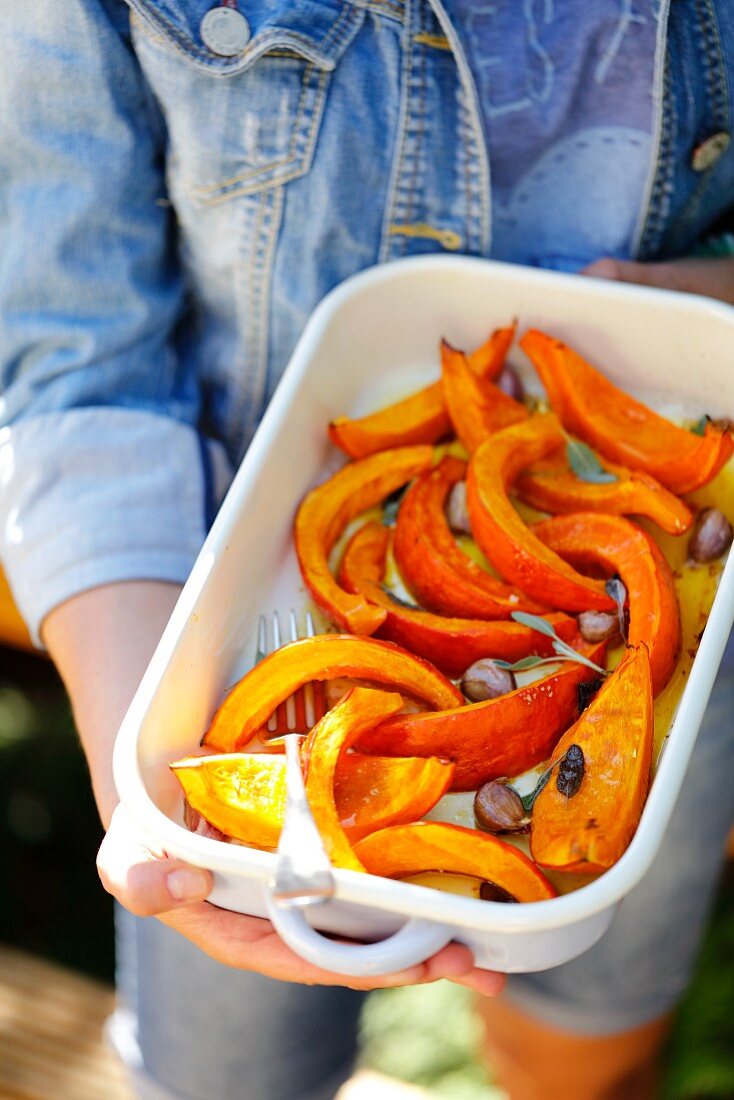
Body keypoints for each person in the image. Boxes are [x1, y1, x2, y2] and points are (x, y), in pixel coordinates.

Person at [1, 2, 734, 1098]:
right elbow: (74, 356)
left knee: (589, 1039)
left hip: (682, 650)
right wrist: (147, 776)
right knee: (216, 1080)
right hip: (195, 602)